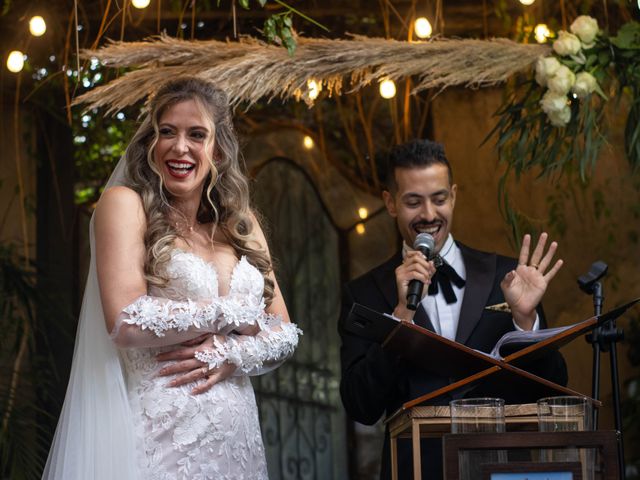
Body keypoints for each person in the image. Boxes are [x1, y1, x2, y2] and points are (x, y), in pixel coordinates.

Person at [43, 77, 301, 480]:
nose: (180, 147)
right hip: (162, 438)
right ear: (151, 141)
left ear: (217, 149)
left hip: (238, 443)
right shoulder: (124, 205)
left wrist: (231, 355)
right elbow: (126, 319)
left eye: (197, 134)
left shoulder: (241, 224)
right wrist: (229, 315)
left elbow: (284, 331)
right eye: (167, 132)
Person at [338, 139, 568, 480]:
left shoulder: (505, 276)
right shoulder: (364, 293)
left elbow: (550, 390)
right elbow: (360, 405)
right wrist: (401, 316)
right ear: (390, 202)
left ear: (454, 196)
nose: (429, 215)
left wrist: (525, 323)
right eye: (413, 202)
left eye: (439, 199)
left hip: (502, 467)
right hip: (414, 469)